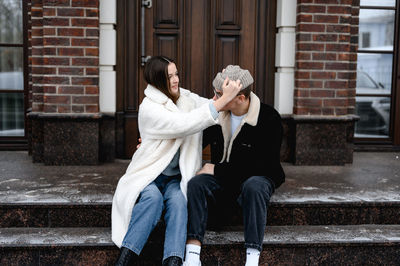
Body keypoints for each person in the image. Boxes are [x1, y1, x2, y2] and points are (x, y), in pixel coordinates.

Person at [112, 56, 242, 266]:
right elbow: (183, 123)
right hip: (150, 176)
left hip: (175, 179)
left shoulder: (185, 98)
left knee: (180, 201)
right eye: (169, 76)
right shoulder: (149, 108)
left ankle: (173, 261)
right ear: (156, 81)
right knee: (153, 200)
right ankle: (124, 261)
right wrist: (221, 101)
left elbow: (212, 106)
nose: (175, 80)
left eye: (176, 74)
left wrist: (224, 85)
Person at [184, 65, 285, 266]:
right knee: (197, 183)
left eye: (221, 94)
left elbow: (263, 165)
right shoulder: (217, 116)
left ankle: (252, 257)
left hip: (257, 178)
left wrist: (216, 169)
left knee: (254, 186)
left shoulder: (268, 118)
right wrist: (154, 144)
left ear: (240, 98)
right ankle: (192, 255)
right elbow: (190, 140)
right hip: (224, 181)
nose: (215, 99)